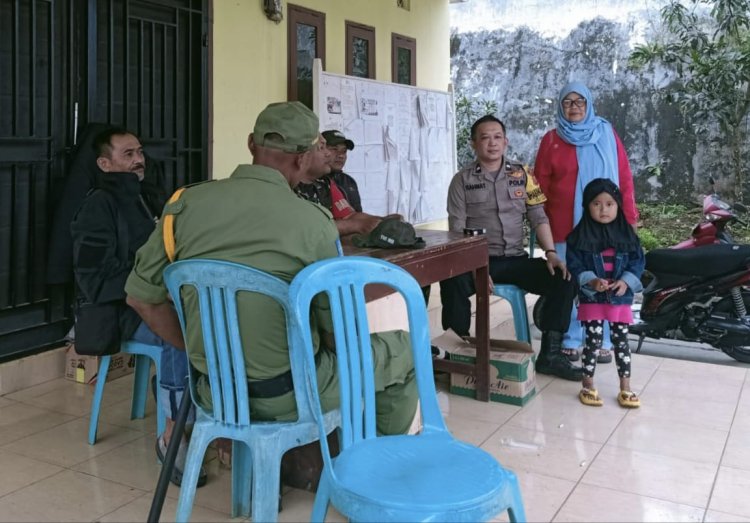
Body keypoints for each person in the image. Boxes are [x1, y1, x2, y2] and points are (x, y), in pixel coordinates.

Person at [124, 101, 418, 489]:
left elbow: (141, 297)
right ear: (303, 160)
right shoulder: (312, 222)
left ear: (250, 144)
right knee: (406, 352)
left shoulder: (183, 205)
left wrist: (204, 355)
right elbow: (336, 331)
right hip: (291, 394)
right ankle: (372, 482)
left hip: (214, 390)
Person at [70, 128, 206, 488]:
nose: (139, 160)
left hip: (157, 299)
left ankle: (196, 406)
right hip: (121, 311)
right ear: (105, 163)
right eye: (128, 154)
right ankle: (172, 434)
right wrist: (150, 283)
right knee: (176, 330)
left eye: (140, 152)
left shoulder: (149, 197)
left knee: (209, 318)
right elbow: (93, 279)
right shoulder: (98, 205)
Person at [440, 114, 582, 381]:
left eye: (497, 137)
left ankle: (550, 355)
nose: (492, 143)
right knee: (451, 281)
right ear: (473, 144)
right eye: (485, 138)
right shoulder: (461, 181)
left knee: (563, 278)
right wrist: (474, 267)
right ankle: (456, 355)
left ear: (505, 142)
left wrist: (551, 253)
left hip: (516, 260)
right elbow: (456, 231)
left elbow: (538, 216)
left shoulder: (523, 175)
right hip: (479, 260)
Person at [535, 81, 639, 365]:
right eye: (568, 102)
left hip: (605, 225)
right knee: (570, 282)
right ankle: (571, 338)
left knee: (604, 280)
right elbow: (539, 185)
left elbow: (624, 178)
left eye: (580, 101)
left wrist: (629, 218)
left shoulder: (606, 133)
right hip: (563, 225)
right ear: (560, 106)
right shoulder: (551, 139)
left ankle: (605, 339)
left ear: (589, 103)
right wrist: (538, 221)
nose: (574, 107)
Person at [565, 178, 645, 407]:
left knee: (621, 342)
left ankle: (625, 389)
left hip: (620, 299)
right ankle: (588, 386)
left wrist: (626, 282)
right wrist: (591, 281)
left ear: (618, 206)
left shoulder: (628, 236)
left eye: (610, 204)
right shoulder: (578, 236)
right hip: (592, 298)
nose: (603, 209)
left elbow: (638, 262)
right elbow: (574, 265)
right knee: (593, 341)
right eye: (596, 204)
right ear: (587, 206)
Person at [295, 129, 390, 236]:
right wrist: (355, 225)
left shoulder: (325, 182)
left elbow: (348, 215)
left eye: (344, 151)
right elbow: (305, 229)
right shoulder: (286, 186)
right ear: (303, 155)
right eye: (322, 148)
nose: (328, 154)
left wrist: (384, 221)